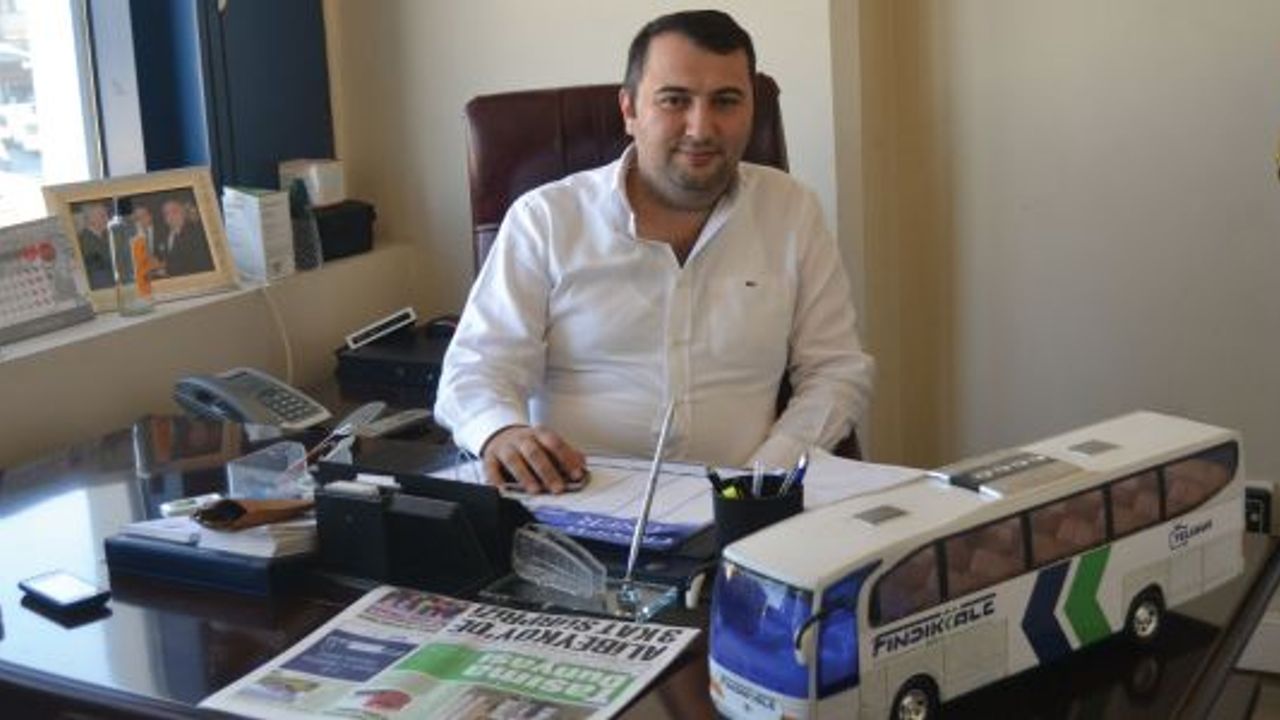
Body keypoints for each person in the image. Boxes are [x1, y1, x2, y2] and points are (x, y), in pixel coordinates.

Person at [434, 10, 874, 493]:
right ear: (629, 110)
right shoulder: (546, 219)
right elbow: (476, 370)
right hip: (576, 501)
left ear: (752, 109)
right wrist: (502, 433)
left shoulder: (791, 211)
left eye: (726, 101)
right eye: (674, 100)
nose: (701, 128)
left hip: (745, 501)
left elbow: (836, 370)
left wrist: (767, 475)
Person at [158, 197, 214, 276]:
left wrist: (168, 271)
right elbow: (163, 257)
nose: (170, 216)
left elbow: (199, 266)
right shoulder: (163, 235)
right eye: (166, 214)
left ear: (183, 212)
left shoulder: (196, 235)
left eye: (174, 211)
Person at [76, 201, 114, 290]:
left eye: (107, 215)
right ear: (91, 219)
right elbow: (100, 271)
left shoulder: (105, 235)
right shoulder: (85, 241)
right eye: (102, 216)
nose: (107, 219)